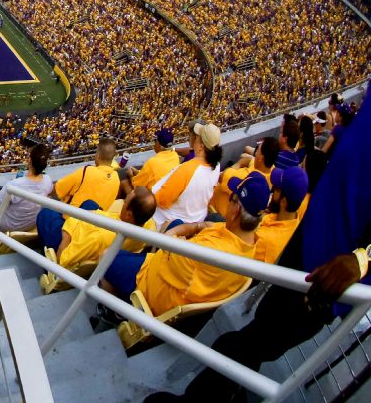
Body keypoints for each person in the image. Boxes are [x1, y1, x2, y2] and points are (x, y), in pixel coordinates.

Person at [144, 106, 367, 403]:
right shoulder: (277, 220)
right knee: (255, 338)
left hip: (326, 278)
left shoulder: (240, 237)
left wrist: (362, 260)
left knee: (246, 344)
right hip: (308, 251)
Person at [101, 172, 267, 319]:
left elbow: (167, 243)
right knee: (174, 223)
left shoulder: (208, 252)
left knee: (105, 256)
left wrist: (176, 235)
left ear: (236, 210)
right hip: (180, 274)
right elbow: (199, 227)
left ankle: (119, 311)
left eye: (231, 198)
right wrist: (195, 227)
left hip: (153, 288)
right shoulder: (247, 243)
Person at [41, 187, 158, 272]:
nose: (123, 201)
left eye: (125, 202)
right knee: (89, 203)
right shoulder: (147, 228)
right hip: (92, 225)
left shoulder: (98, 238)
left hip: (71, 241)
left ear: (129, 215)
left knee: (46, 213)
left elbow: (63, 261)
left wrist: (67, 233)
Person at [0, 144, 54, 244]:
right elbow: (47, 193)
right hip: (31, 223)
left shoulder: (14, 185)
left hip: (8, 225)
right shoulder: (48, 180)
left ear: (29, 160)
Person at [151, 122, 222, 229]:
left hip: (166, 221)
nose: (194, 139)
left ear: (201, 146)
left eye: (197, 138)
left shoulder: (187, 170)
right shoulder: (216, 165)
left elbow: (161, 201)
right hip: (194, 219)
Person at [254, 166, 308, 264]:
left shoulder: (264, 240)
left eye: (276, 189)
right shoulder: (296, 222)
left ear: (283, 201)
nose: (272, 191)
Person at [50, 138, 121, 210]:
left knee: (46, 212)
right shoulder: (116, 178)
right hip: (96, 220)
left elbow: (56, 189)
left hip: (72, 218)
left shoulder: (86, 171)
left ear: (98, 155)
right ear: (113, 156)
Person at [124, 129, 181, 193]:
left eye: (155, 141)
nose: (154, 143)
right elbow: (155, 173)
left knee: (124, 183)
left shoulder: (152, 162)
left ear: (159, 144)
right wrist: (138, 172)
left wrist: (130, 175)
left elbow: (137, 186)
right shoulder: (175, 155)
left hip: (155, 198)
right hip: (167, 192)